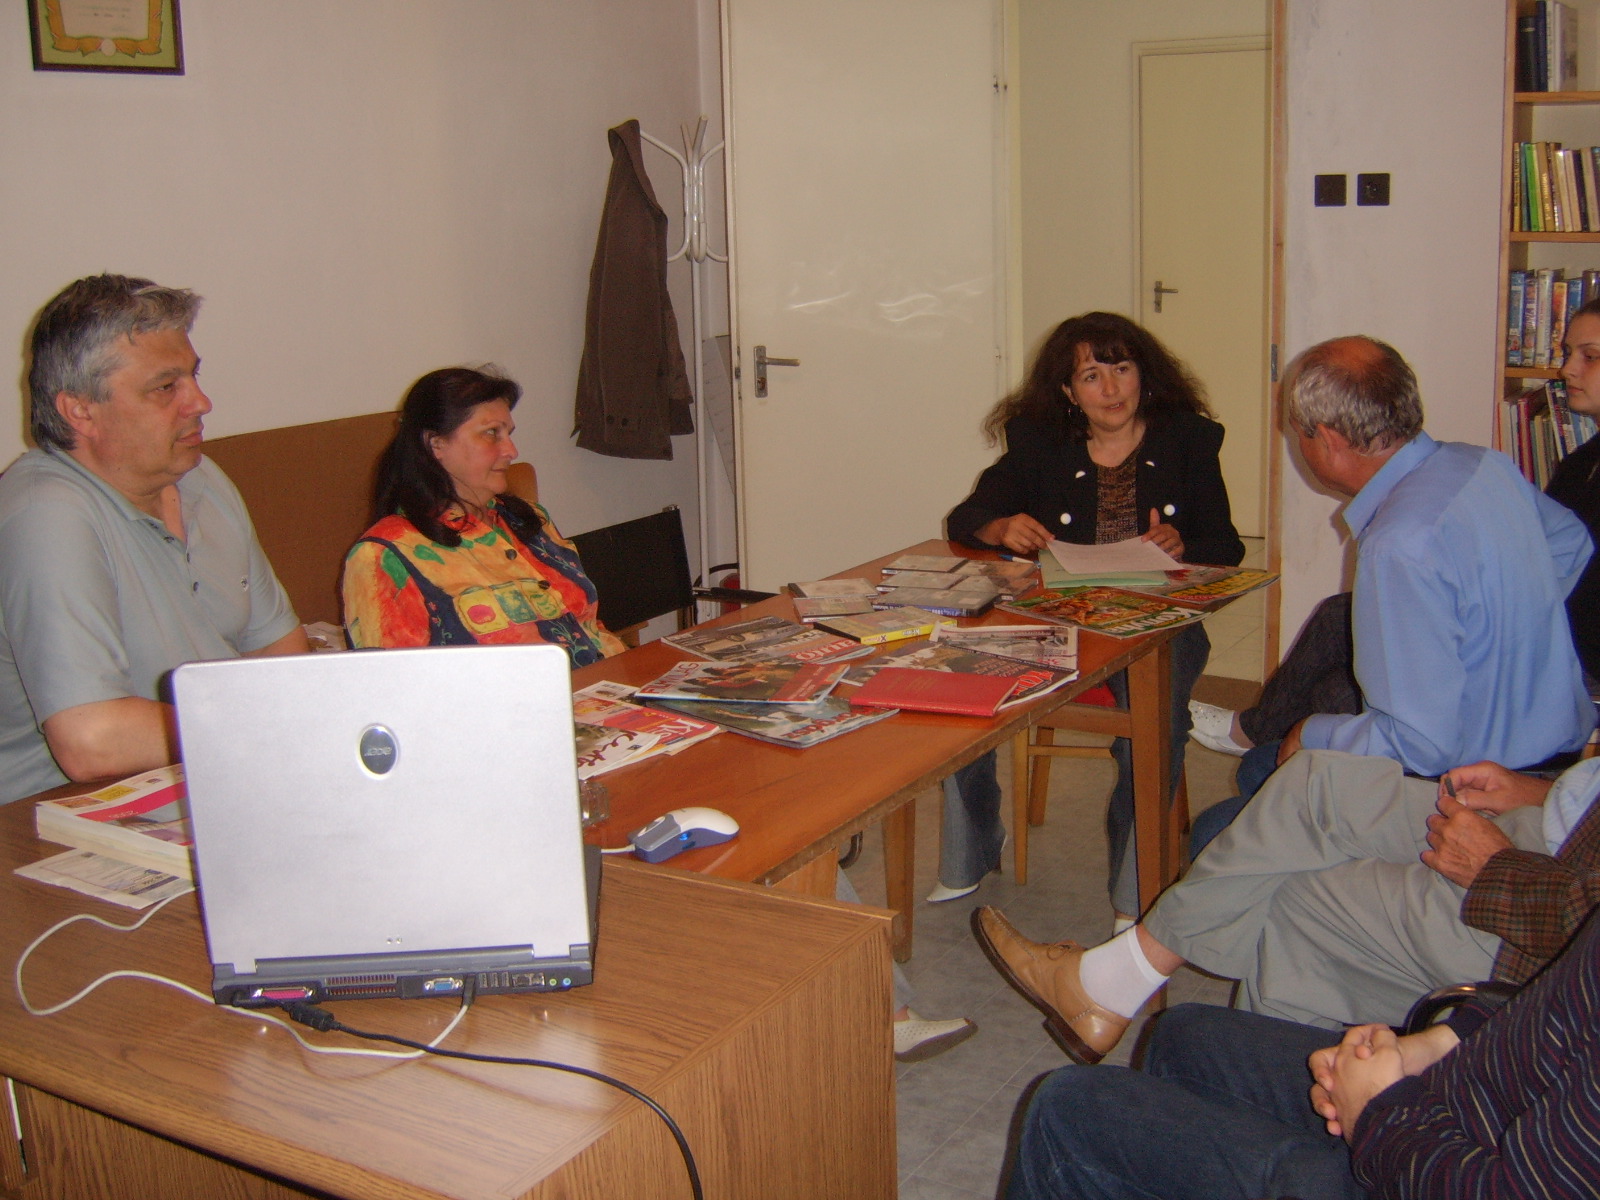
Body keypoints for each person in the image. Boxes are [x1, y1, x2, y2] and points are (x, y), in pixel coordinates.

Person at [1187, 334, 1594, 847]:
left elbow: (1420, 744)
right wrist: (1501, 635)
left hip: (1482, 784)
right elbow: (1571, 544)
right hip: (1563, 749)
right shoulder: (1480, 463)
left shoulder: (1399, 544)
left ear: (1328, 440)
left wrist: (1311, 731)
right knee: (1261, 768)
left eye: (1297, 432)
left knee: (1216, 829)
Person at [973, 746, 1600, 1065]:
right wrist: (1546, 791)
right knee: (1314, 778)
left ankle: (1115, 985)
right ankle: (1116, 980)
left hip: (1541, 919)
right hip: (1556, 836)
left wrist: (1498, 871)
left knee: (1291, 893)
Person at [942, 312, 1243, 917]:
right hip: (1058, 619)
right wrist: (1001, 527)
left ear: (1144, 375)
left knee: (1152, 726)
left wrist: (1184, 543)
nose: (1110, 389)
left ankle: (1134, 892)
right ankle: (971, 849)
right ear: (1068, 390)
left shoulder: (1187, 439)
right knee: (959, 679)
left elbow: (1226, 546)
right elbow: (965, 519)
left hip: (1155, 626)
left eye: (1122, 369)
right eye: (1090, 376)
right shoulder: (1040, 443)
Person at [1004, 902, 1600, 1200]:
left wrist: (1379, 1113)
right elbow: (1563, 1003)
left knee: (1068, 1108)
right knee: (1183, 1035)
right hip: (1467, 1100)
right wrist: (1438, 1043)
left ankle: (1109, 982)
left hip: (1446, 1167)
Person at [0, 275, 308, 806]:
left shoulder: (201, 478)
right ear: (79, 411)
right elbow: (91, 740)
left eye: (193, 376)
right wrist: (260, 728)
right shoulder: (46, 514)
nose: (201, 402)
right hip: (59, 817)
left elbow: (277, 650)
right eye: (166, 388)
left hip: (213, 771)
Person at [341, 366, 625, 664]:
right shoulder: (385, 555)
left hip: (600, 683)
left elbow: (588, 628)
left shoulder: (529, 519)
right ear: (436, 444)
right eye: (491, 433)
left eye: (508, 434)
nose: (511, 450)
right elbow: (395, 684)